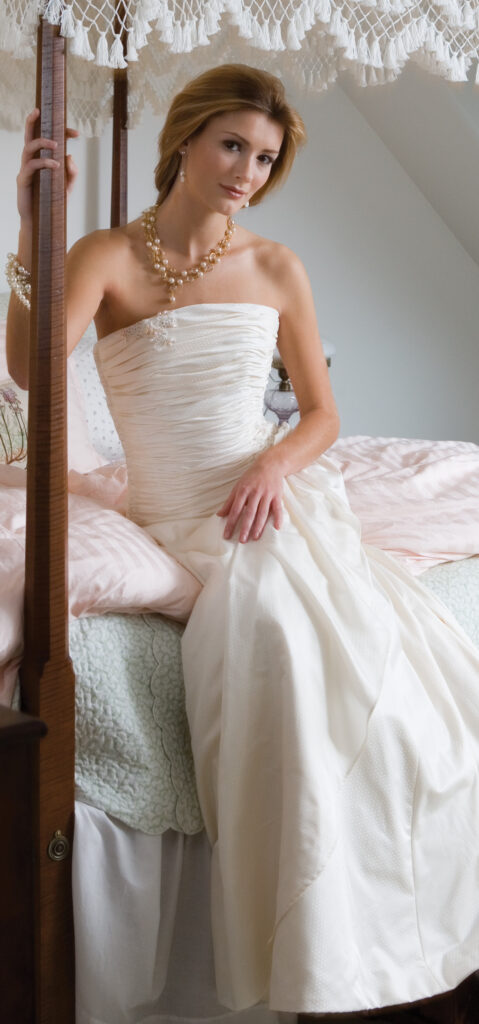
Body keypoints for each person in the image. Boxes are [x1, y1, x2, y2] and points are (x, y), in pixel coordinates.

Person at [6, 63, 479, 1022]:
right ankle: (302, 952)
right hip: (169, 512)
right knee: (274, 641)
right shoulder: (105, 254)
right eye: (232, 146)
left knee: (336, 653)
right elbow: (29, 369)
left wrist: (272, 467)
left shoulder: (275, 266)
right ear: (184, 139)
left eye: (264, 159)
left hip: (263, 497)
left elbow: (321, 413)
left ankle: (369, 947)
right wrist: (31, 228)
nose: (246, 173)